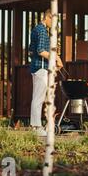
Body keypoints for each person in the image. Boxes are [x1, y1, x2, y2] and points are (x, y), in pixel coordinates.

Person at [29, 9, 63, 137]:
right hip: (41, 69)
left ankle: (35, 125)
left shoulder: (36, 29)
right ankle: (36, 127)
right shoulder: (42, 30)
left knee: (38, 97)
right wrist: (57, 58)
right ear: (48, 17)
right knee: (38, 98)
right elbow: (41, 51)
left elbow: (31, 50)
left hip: (37, 67)